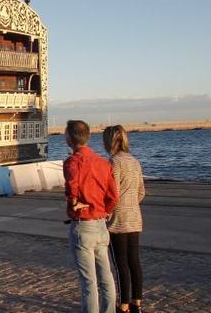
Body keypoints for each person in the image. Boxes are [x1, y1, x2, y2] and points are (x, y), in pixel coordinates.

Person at [63, 120, 118, 313]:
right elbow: (113, 196)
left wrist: (74, 203)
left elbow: (72, 187)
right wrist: (105, 210)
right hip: (101, 224)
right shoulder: (103, 163)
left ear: (70, 138)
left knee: (88, 281)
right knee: (106, 276)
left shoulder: (73, 162)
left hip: (83, 224)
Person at [103, 125, 145, 313]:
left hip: (118, 219)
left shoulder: (114, 162)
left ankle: (124, 305)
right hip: (135, 217)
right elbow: (141, 192)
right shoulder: (135, 161)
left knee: (121, 264)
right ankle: (137, 302)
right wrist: (131, 203)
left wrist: (106, 213)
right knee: (134, 261)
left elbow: (113, 193)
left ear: (109, 141)